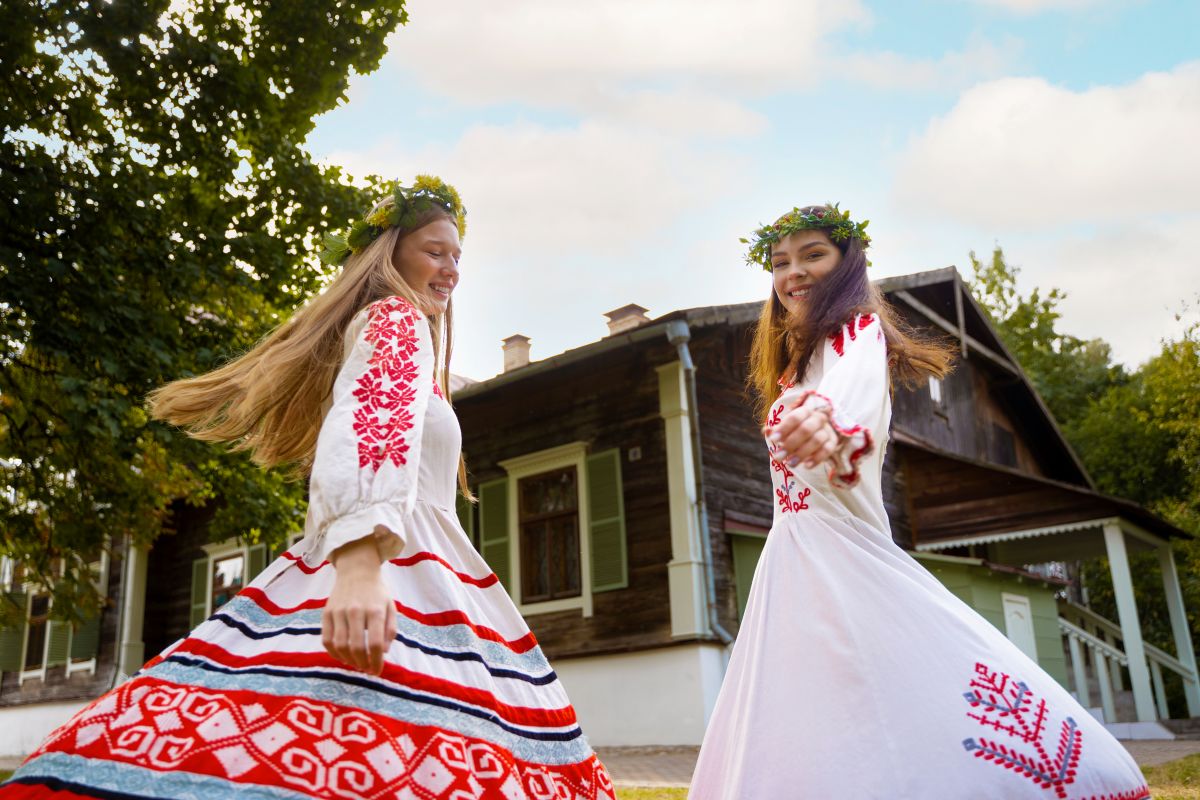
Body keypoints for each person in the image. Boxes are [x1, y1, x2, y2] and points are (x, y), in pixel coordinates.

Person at [1, 177, 614, 800]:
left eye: (458, 256)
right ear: (388, 251)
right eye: (435, 250)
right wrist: (358, 566)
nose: (452, 268)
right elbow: (367, 425)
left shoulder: (407, 339)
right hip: (392, 563)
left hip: (420, 564)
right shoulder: (394, 318)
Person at [688, 205, 1149, 799]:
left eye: (812, 255)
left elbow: (848, 413)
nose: (793, 273)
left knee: (900, 682)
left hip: (837, 546)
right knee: (822, 704)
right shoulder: (800, 366)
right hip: (795, 550)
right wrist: (810, 410)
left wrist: (826, 426)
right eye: (780, 263)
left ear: (847, 263)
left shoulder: (857, 333)